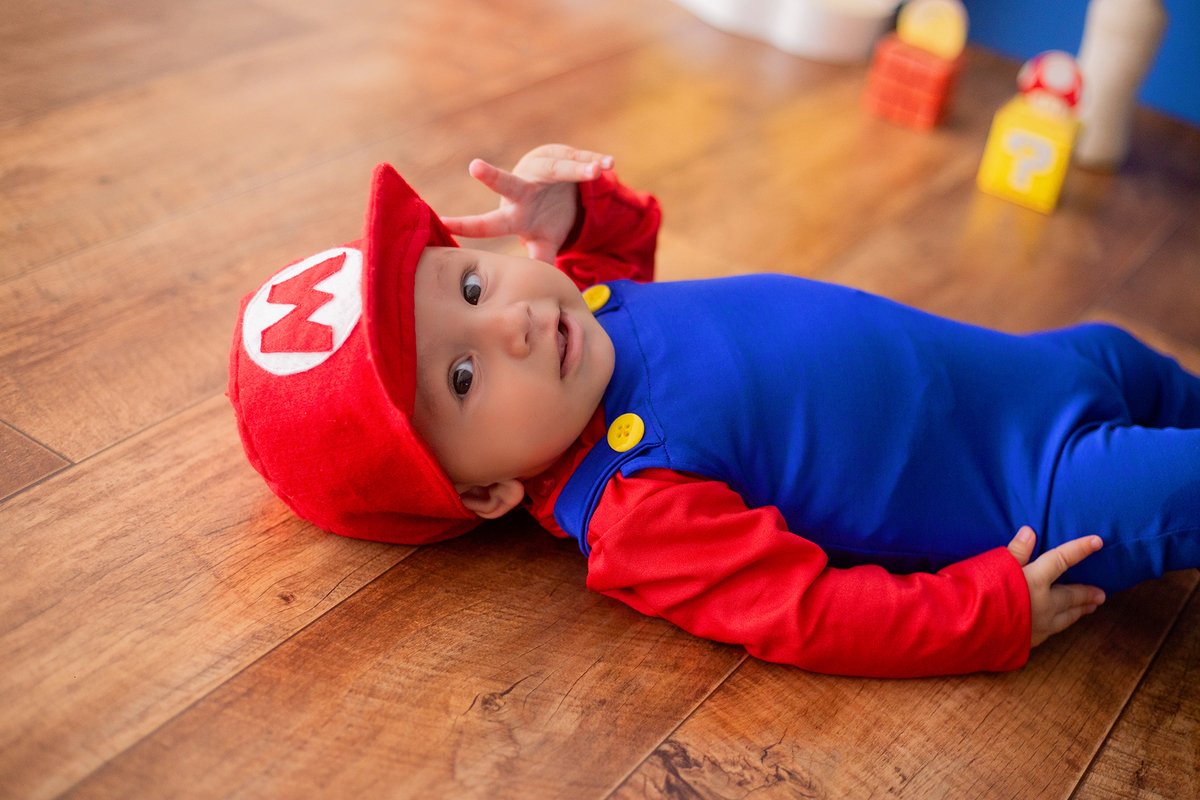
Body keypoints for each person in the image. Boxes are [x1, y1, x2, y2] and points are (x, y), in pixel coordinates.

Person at [228, 144, 1200, 678]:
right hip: (1044, 490)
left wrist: (574, 212)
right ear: (484, 491)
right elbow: (806, 612)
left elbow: (614, 253)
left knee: (1133, 357)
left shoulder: (581, 312)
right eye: (464, 379)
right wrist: (982, 613)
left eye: (471, 286)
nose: (516, 323)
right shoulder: (638, 505)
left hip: (1039, 369)